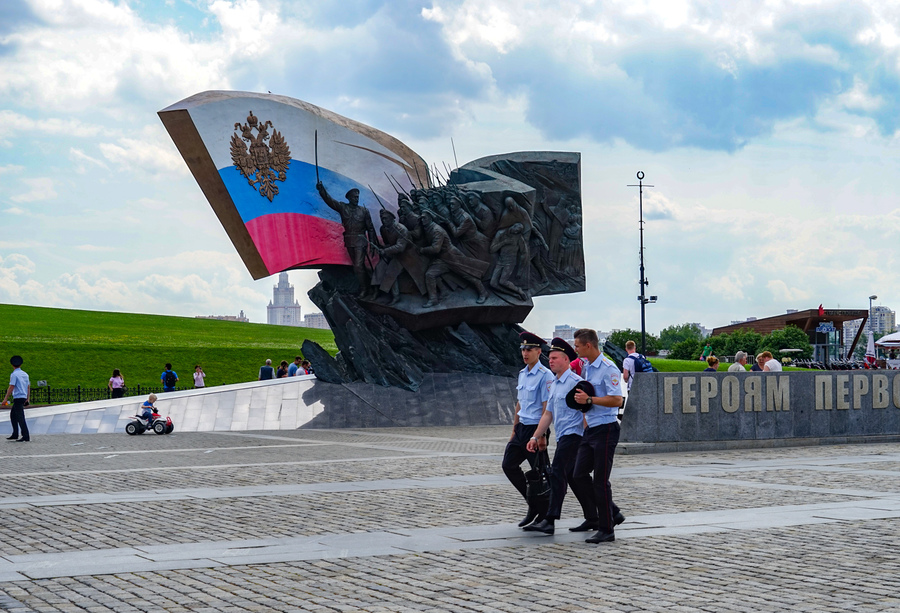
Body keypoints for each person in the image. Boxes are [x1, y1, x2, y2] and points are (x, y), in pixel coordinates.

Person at [524, 338, 597, 535]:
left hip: (574, 436)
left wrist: (588, 441)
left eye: (555, 358)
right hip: (563, 435)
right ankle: (596, 516)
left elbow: (585, 413)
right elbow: (549, 414)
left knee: (557, 473)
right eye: (550, 358)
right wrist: (535, 436)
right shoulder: (555, 384)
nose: (551, 361)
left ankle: (550, 519)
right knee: (575, 478)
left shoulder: (576, 383)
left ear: (566, 360)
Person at [570, 328, 626, 544]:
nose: (575, 349)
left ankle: (607, 529)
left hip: (606, 429)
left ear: (588, 346)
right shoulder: (587, 366)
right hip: (591, 428)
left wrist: (590, 400)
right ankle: (613, 512)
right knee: (578, 474)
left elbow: (617, 400)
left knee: (600, 482)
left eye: (577, 345)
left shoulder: (608, 368)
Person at [502, 331, 553, 528]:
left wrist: (540, 435)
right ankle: (533, 504)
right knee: (508, 465)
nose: (525, 353)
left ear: (538, 352)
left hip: (536, 428)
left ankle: (546, 517)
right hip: (522, 427)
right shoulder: (523, 374)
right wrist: (514, 429)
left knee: (540, 473)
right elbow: (519, 404)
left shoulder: (545, 375)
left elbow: (546, 407)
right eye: (523, 349)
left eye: (529, 349)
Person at [315, 182, 378, 299]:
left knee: (358, 266)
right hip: (349, 240)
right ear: (349, 198)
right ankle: (369, 287)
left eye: (357, 197)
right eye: (354, 197)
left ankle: (365, 289)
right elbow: (330, 201)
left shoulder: (364, 211)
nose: (356, 199)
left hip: (361, 240)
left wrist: (373, 243)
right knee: (357, 266)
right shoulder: (343, 207)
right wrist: (321, 190)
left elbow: (370, 228)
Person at [2, 355, 30, 442]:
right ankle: (15, 434)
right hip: (23, 396)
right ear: (20, 364)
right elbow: (28, 387)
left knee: (20, 417)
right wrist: (27, 398)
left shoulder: (14, 374)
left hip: (18, 397)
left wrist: (5, 398)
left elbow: (11, 386)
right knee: (13, 415)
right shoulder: (25, 374)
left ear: (12, 365)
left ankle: (25, 436)